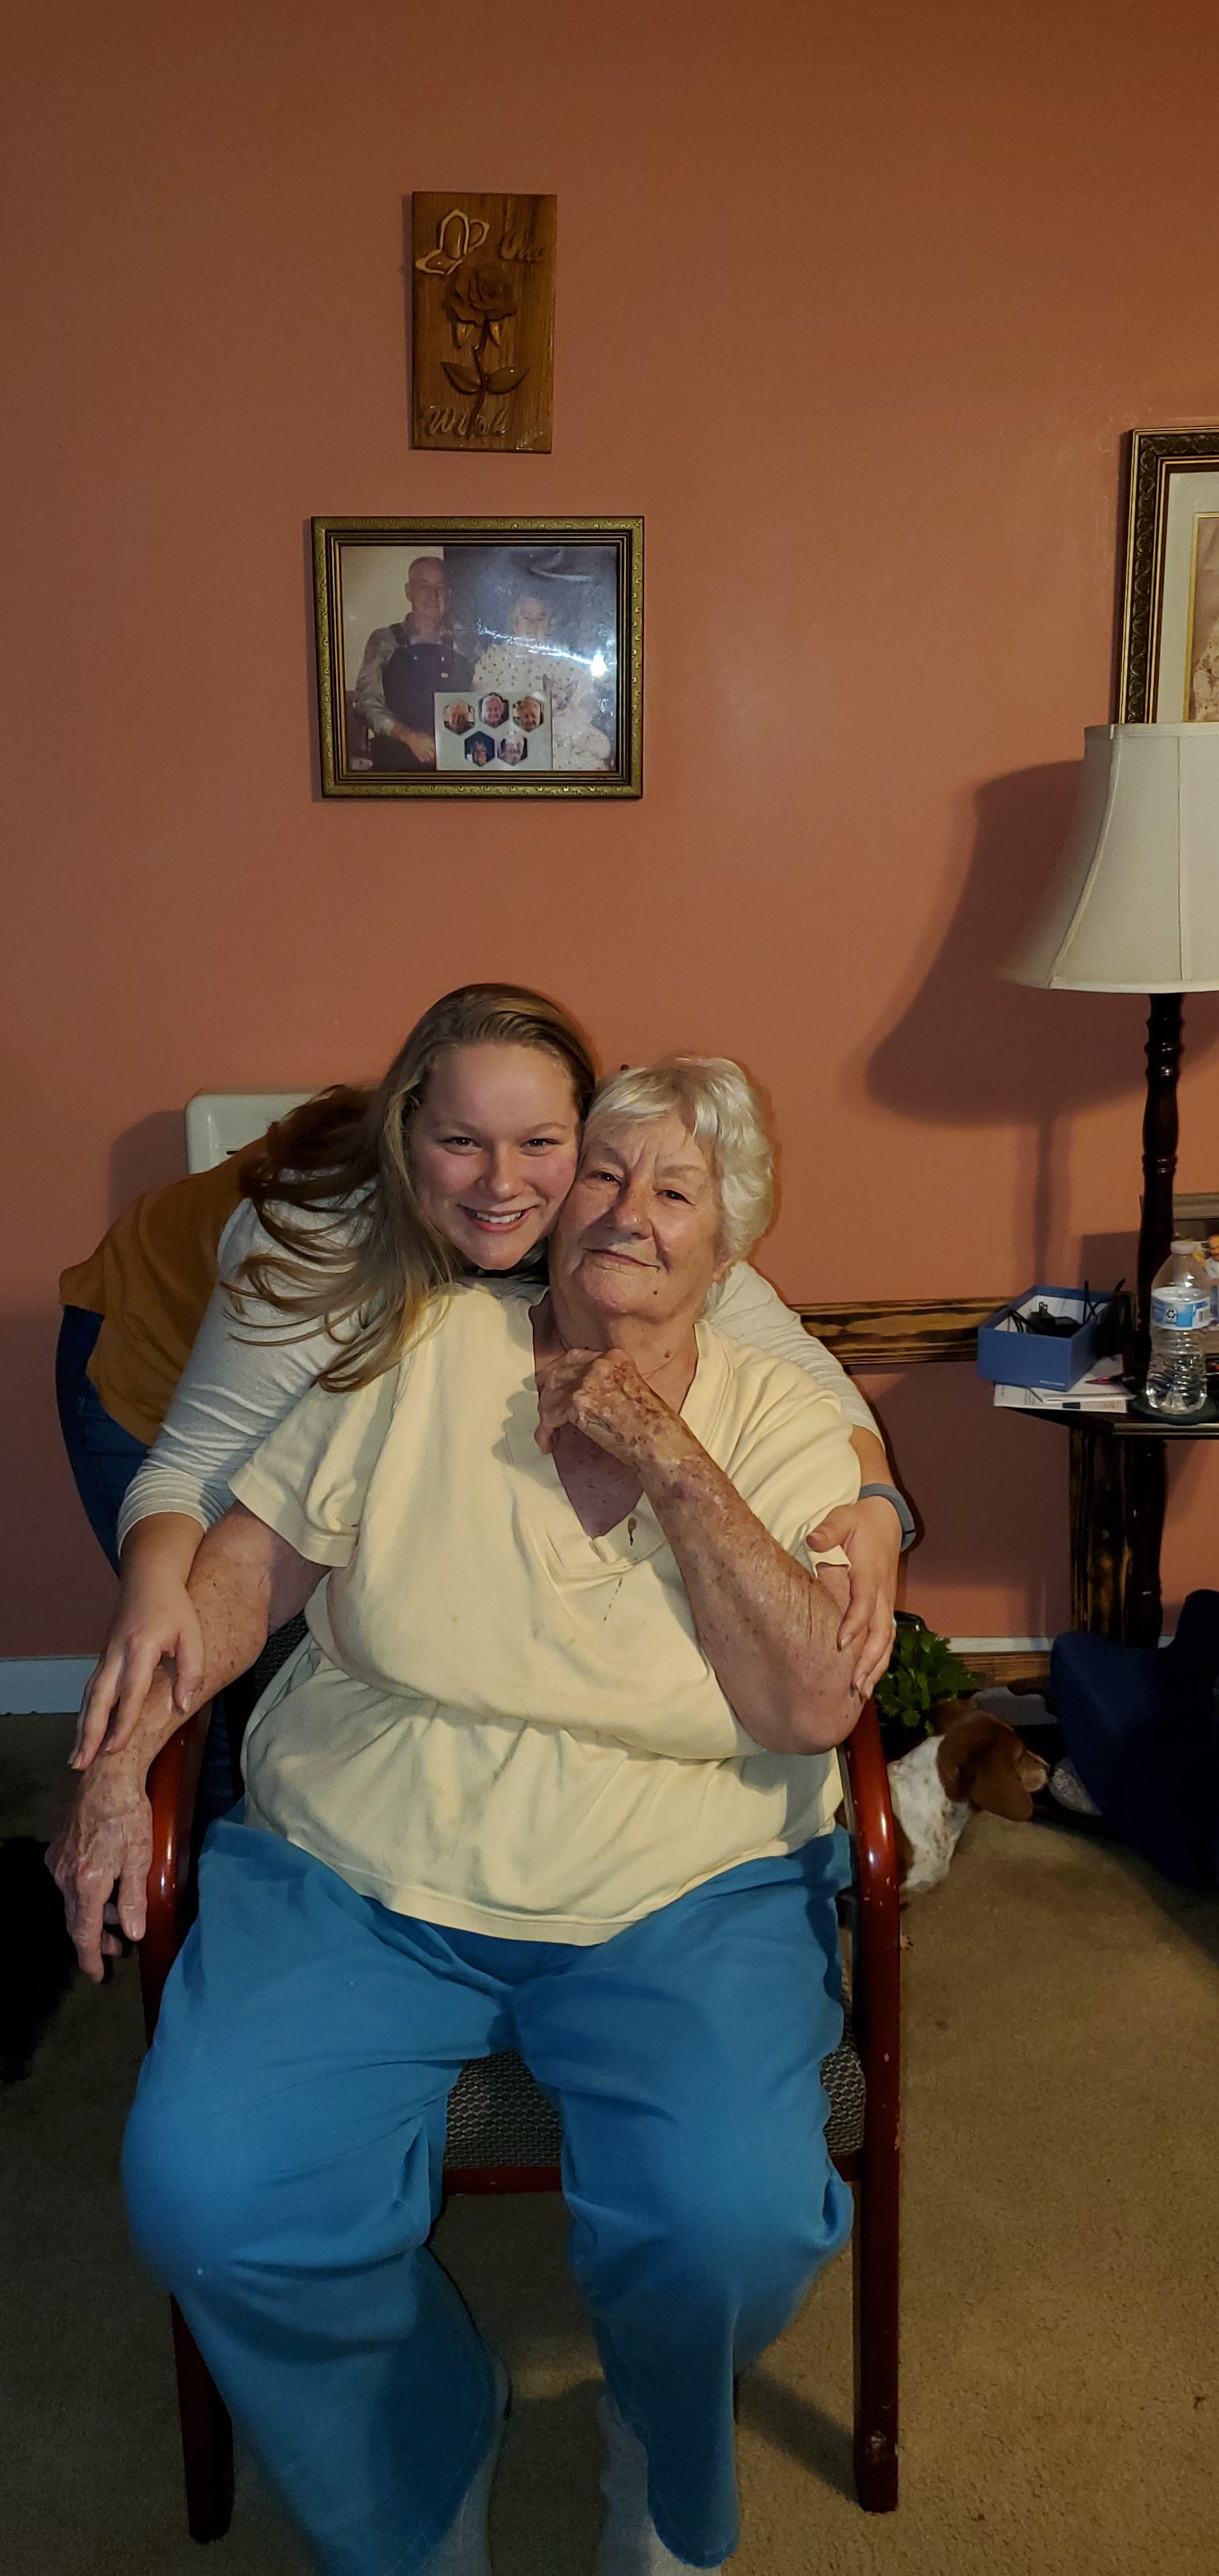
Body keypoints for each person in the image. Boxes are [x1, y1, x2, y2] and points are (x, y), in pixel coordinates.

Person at [50, 1059, 870, 2576]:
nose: (626, 1213)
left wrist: (670, 1455)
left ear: (729, 1242)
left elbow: (809, 1704)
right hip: (363, 1862)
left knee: (733, 2221)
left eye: (674, 1190)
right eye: (602, 1176)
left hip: (682, 1881)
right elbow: (242, 1573)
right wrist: (117, 1766)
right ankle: (414, 2454)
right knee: (209, 2196)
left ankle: (656, 2436)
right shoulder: (423, 1346)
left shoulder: (781, 1416)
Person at [63, 986, 907, 1770]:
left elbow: (801, 1367)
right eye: (461, 1141)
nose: (504, 1183)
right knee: (218, 1685)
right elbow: (189, 1473)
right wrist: (151, 1589)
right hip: (158, 1356)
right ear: (409, 1134)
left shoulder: (589, 1203)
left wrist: (874, 1500)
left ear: (579, 1135)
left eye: (539, 1142)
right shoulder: (314, 1242)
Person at [353, 557, 473, 771]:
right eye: (423, 586)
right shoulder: (384, 640)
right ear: (409, 592)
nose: (432, 595)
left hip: (455, 761)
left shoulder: (467, 644)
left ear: (449, 594)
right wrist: (409, 737)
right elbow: (366, 703)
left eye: (440, 587)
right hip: (397, 761)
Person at [471, 590, 613, 771]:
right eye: (527, 618)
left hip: (560, 746)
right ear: (514, 622)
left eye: (541, 619)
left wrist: (569, 720)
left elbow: (587, 699)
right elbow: (479, 702)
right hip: (510, 747)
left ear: (549, 623)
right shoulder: (494, 658)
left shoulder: (563, 658)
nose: (534, 626)